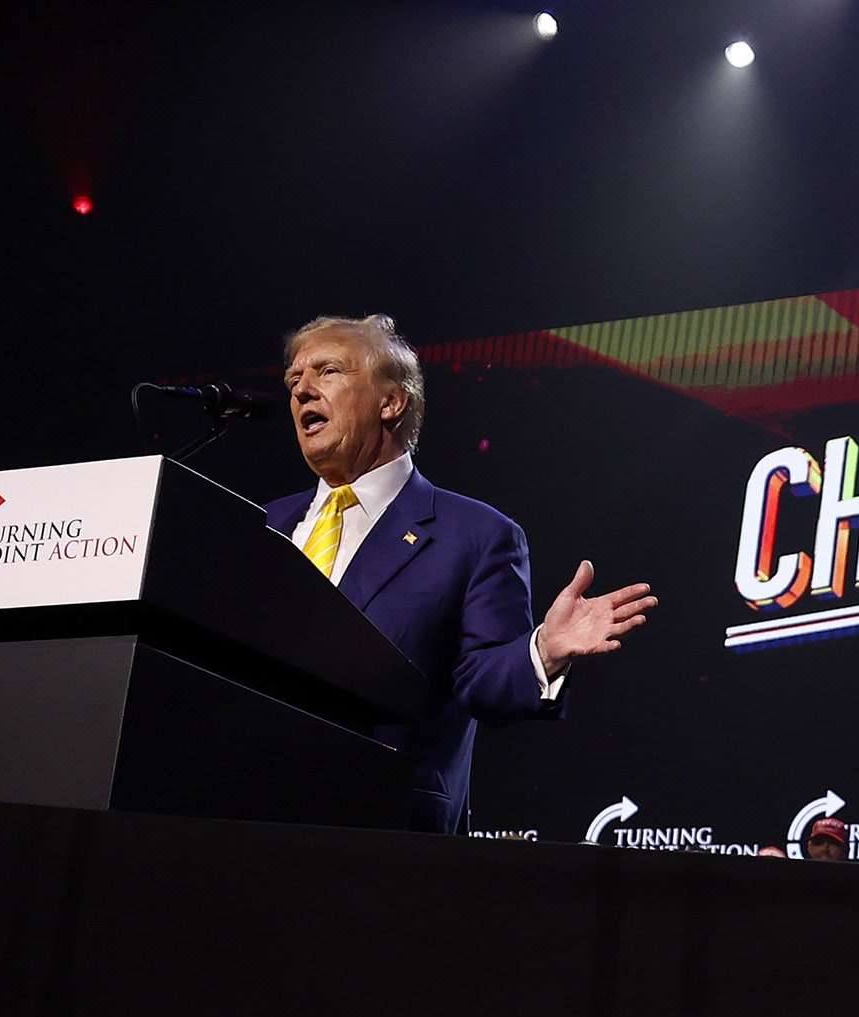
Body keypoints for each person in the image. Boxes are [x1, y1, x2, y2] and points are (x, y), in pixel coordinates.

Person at [263, 314, 654, 833]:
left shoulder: (474, 534)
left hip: (381, 833)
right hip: (242, 817)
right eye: (293, 380)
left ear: (392, 401)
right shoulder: (260, 523)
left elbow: (482, 681)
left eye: (328, 371)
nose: (303, 391)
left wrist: (541, 652)